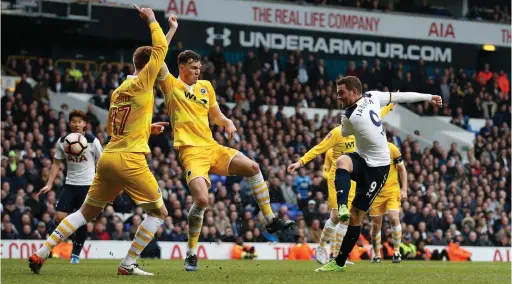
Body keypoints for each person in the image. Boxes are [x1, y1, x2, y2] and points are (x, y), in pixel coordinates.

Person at [29, 6, 174, 276]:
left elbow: (114, 126)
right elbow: (160, 49)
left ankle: (42, 252)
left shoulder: (119, 90)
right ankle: (128, 264)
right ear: (149, 66)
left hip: (108, 157)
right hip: (130, 159)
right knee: (159, 213)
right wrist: (153, 20)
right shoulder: (144, 82)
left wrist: (146, 128)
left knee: (84, 213)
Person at [157, 24, 294, 272]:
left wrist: (227, 121)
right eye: (194, 68)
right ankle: (190, 252)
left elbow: (217, 116)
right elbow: (157, 54)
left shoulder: (205, 87)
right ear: (182, 67)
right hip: (190, 152)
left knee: (253, 167)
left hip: (212, 147)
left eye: (200, 68)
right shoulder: (170, 85)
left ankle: (270, 219)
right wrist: (171, 30)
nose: (198, 72)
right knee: (202, 199)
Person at [315, 76, 442, 272]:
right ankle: (342, 207)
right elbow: (402, 97)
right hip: (362, 158)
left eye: (342, 92)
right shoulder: (373, 96)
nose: (339, 97)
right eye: (338, 92)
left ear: (354, 91)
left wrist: (427, 96)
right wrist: (428, 97)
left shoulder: (348, 116)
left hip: (379, 168)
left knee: (356, 216)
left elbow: (348, 131)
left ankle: (339, 261)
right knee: (341, 161)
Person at [287, 104, 393, 264]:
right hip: (337, 178)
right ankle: (321, 248)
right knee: (336, 216)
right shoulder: (337, 132)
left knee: (347, 218)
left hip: (353, 179)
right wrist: (301, 162)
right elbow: (318, 148)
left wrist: (392, 103)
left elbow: (378, 114)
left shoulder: (360, 132)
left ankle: (335, 255)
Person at [38, 109, 102, 264]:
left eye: (80, 122)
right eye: (74, 121)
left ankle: (76, 254)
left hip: (87, 186)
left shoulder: (93, 141)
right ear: (69, 124)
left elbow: (102, 163)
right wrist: (49, 183)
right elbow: (56, 164)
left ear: (85, 124)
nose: (77, 124)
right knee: (59, 217)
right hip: (70, 184)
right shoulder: (62, 141)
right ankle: (70, 233)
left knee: (82, 220)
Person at [369, 142, 408, 264]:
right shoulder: (367, 150)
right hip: (375, 193)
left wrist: (404, 189)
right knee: (376, 225)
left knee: (393, 218)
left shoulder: (392, 149)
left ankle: (396, 252)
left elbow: (402, 169)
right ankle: (376, 254)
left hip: (392, 190)